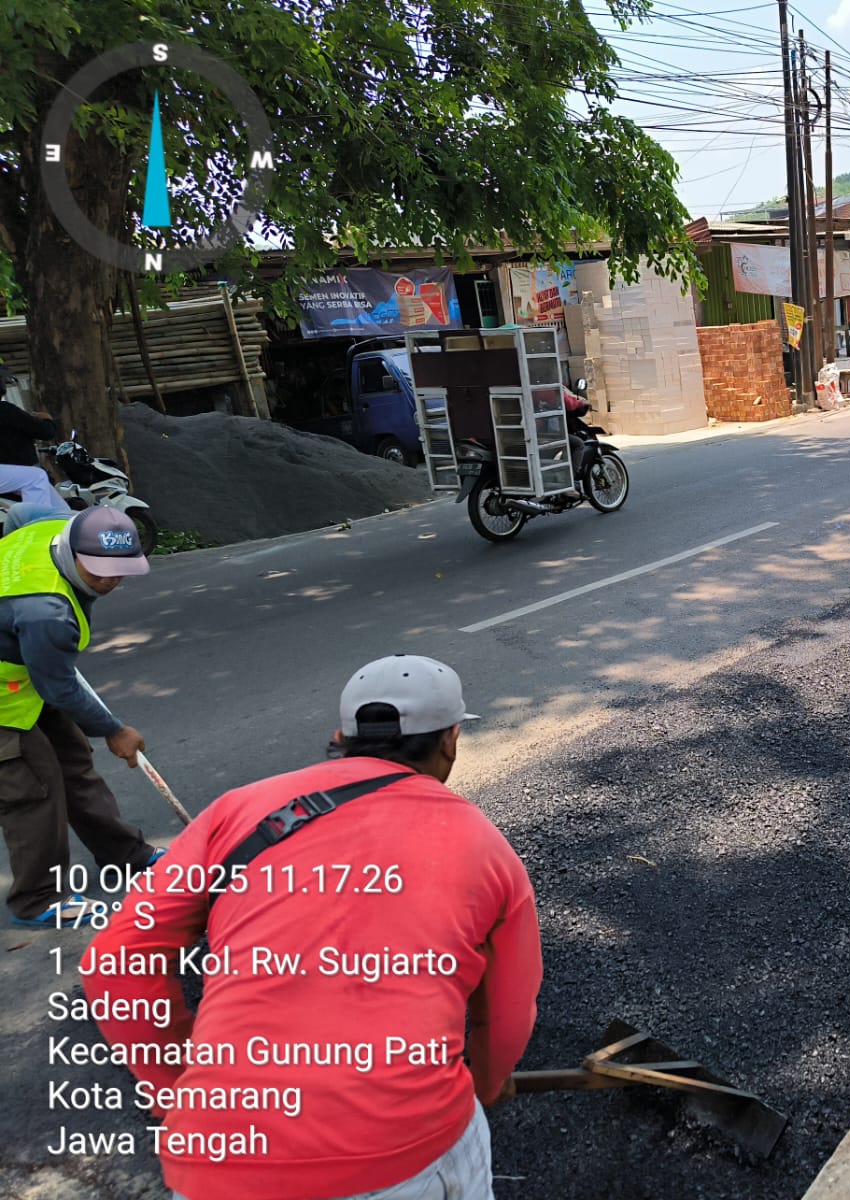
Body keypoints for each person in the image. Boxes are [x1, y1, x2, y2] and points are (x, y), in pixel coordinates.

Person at [82, 654, 542, 1200]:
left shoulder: (238, 811)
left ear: (340, 736)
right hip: (402, 1150)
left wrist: (185, 1092)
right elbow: (508, 1013)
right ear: (451, 741)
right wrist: (488, 1084)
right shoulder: (483, 845)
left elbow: (114, 965)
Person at [0, 507, 154, 926]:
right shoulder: (45, 613)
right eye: (98, 571)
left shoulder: (55, 525)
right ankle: (37, 899)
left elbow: (19, 515)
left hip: (26, 678)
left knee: (74, 765)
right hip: (9, 696)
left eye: (120, 570)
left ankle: (125, 854)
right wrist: (113, 730)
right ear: (72, 552)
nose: (109, 580)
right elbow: (58, 686)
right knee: (34, 787)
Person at [0, 373, 71, 514]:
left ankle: (65, 529)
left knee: (63, 511)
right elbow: (45, 432)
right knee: (35, 477)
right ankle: (37, 526)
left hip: (10, 474)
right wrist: (47, 420)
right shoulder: (6, 410)